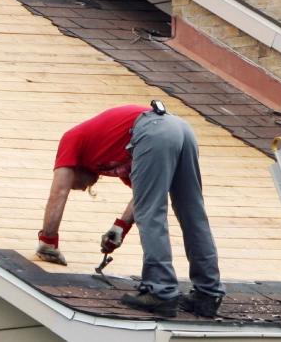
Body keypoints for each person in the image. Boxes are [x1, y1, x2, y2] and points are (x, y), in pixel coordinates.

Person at [36, 102, 225, 319]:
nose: (78, 188)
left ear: (74, 167)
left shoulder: (72, 138)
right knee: (192, 212)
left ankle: (160, 290)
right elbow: (141, 195)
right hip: (180, 129)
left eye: (75, 184)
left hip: (152, 129)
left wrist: (48, 242)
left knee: (152, 213)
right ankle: (208, 294)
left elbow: (58, 192)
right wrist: (121, 227)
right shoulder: (113, 154)